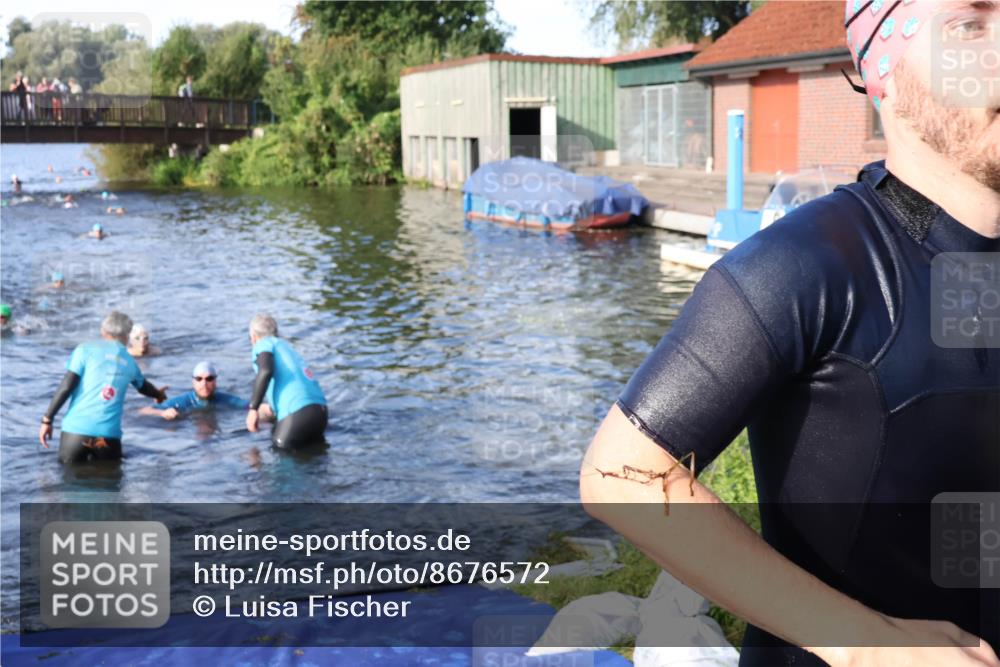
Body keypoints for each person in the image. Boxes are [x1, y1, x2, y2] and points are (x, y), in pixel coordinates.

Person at [580, 2, 1000, 666]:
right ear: (881, 67)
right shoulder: (804, 266)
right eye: (970, 25)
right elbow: (618, 474)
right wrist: (869, 644)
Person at [38, 311, 168, 463]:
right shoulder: (130, 361)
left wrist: (47, 420)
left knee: (67, 482)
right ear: (127, 335)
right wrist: (159, 395)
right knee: (109, 483)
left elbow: (67, 385)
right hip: (108, 437)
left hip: (75, 433)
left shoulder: (85, 349)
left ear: (103, 331)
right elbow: (144, 387)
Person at [246, 314, 327, 449]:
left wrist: (253, 409)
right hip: (320, 412)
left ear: (254, 337)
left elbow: (265, 370)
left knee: (282, 462)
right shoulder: (286, 347)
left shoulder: (263, 344)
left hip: (297, 414)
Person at [139, 361, 252, 420]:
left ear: (215, 381)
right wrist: (162, 413)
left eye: (209, 379)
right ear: (193, 382)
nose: (204, 383)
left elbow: (251, 406)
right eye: (199, 379)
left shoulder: (224, 399)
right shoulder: (183, 402)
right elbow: (143, 411)